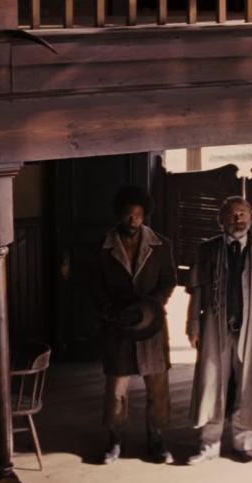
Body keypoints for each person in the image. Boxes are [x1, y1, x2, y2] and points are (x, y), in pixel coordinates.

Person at [185, 196, 252, 464]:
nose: (238, 218)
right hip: (214, 329)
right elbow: (197, 294)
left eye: (243, 213)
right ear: (221, 219)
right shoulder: (207, 251)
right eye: (232, 214)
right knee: (211, 383)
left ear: (251, 217)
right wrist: (194, 326)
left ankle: (243, 445)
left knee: (249, 386)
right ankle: (208, 445)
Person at [92, 185, 177, 465]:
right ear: (119, 214)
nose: (134, 220)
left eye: (139, 215)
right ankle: (115, 439)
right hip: (117, 327)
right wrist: (112, 311)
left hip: (151, 327)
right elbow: (94, 286)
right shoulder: (103, 246)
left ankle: (157, 439)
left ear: (145, 215)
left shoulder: (161, 245)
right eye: (129, 215)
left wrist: (151, 306)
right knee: (116, 388)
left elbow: (169, 281)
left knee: (158, 387)